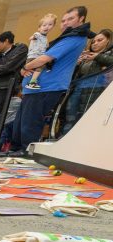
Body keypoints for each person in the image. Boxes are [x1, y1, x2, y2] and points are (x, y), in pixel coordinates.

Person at [12, 6, 92, 155]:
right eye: (63, 20)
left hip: (47, 86)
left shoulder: (74, 38)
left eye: (70, 19)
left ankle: (26, 151)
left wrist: (25, 66)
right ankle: (16, 149)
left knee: (31, 121)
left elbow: (45, 58)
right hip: (36, 86)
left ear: (81, 19)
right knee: (21, 121)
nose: (65, 23)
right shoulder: (67, 37)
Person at [63, 29, 113, 133]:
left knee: (89, 118)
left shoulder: (108, 53)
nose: (95, 43)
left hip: (97, 89)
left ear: (108, 40)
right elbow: (72, 76)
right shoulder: (86, 56)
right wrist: (76, 64)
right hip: (78, 88)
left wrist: (97, 56)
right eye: (93, 41)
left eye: (100, 40)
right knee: (70, 117)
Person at [25, 14, 59, 90]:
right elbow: (33, 37)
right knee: (40, 67)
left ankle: (32, 81)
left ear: (53, 26)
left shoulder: (45, 38)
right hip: (34, 56)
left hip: (37, 56)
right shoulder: (38, 34)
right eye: (44, 25)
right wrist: (33, 37)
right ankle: (32, 82)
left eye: (50, 24)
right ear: (39, 28)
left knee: (37, 69)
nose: (47, 27)